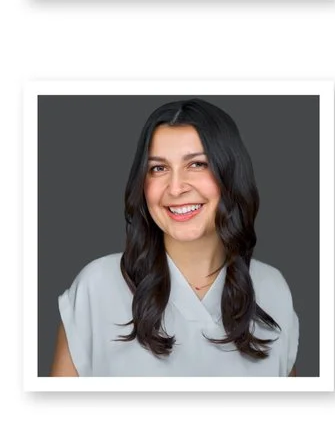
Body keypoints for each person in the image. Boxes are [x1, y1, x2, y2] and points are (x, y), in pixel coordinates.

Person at [50, 99, 301, 380]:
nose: (176, 187)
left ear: (230, 174)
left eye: (197, 164)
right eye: (158, 168)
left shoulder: (273, 289)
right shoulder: (97, 288)